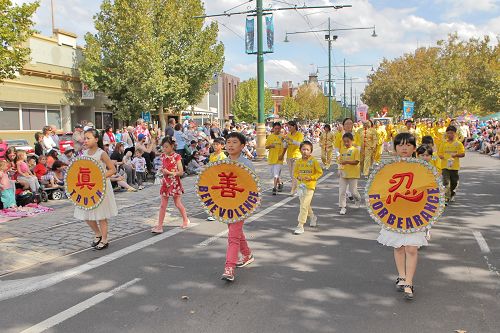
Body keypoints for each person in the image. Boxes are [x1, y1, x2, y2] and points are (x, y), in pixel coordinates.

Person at [377, 132, 426, 300]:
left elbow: (430, 191)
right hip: (395, 212)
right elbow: (380, 190)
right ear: (395, 148)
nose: (404, 148)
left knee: (411, 248)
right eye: (400, 145)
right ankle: (402, 276)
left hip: (415, 213)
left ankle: (409, 282)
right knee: (398, 247)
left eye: (408, 145)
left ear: (414, 148)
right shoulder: (388, 167)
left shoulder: (422, 167)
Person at [74, 129, 118, 250]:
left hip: (100, 187)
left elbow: (112, 169)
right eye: (85, 138)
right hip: (87, 187)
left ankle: (104, 239)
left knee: (101, 215)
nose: (86, 140)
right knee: (86, 214)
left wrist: (100, 177)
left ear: (96, 139)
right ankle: (97, 234)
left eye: (88, 138)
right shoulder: (84, 153)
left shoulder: (101, 153)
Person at [221, 132, 255, 282]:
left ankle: (229, 268)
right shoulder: (222, 163)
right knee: (235, 231)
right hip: (226, 204)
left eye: (234, 142)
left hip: (241, 205)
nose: (230, 145)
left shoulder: (246, 164)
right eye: (228, 142)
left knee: (233, 236)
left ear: (242, 146)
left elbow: (253, 186)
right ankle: (247, 254)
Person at [151, 136, 190, 234]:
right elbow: (164, 168)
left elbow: (181, 172)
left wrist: (169, 172)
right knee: (163, 205)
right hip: (165, 182)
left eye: (166, 147)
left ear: (172, 146)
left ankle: (185, 220)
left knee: (177, 203)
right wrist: (162, 171)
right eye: (163, 147)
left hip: (174, 183)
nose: (164, 149)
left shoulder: (177, 156)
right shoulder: (163, 156)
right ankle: (160, 226)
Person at [293, 141, 323, 235]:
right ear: (300, 150)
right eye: (303, 149)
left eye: (307, 150)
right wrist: (298, 177)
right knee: (304, 204)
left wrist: (311, 177)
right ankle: (313, 216)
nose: (305, 151)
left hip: (310, 186)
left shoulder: (313, 161)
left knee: (304, 205)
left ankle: (300, 225)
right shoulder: (298, 161)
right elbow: (295, 172)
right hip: (301, 186)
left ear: (311, 151)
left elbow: (319, 172)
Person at [438, 125, 465, 204]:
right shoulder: (443, 143)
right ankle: (446, 196)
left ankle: (452, 194)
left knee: (454, 182)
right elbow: (439, 153)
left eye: (452, 133)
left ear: (455, 134)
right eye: (448, 133)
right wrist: (441, 156)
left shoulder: (459, 144)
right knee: (446, 182)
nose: (450, 135)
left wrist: (456, 155)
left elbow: (463, 154)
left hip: (454, 166)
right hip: (445, 166)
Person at [338, 133, 361, 215]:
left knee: (353, 191)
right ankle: (343, 207)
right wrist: (339, 170)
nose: (346, 143)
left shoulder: (355, 150)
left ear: (352, 141)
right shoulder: (342, 150)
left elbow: (356, 162)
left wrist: (346, 162)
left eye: (348, 141)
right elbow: (340, 161)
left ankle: (358, 199)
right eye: (344, 141)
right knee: (342, 191)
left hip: (353, 174)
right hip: (343, 174)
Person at [283, 121, 304, 195]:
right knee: (292, 175)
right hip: (289, 156)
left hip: (297, 156)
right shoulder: (288, 134)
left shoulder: (300, 134)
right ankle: (299, 187)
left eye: (290, 127)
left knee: (294, 174)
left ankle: (293, 189)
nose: (289, 129)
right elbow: (285, 146)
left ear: (294, 126)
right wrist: (284, 142)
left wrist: (291, 140)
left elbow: (300, 144)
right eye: (288, 127)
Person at [265, 122, 285, 195]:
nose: (277, 130)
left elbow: (285, 146)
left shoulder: (282, 137)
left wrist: (282, 155)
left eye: (278, 128)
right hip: (271, 158)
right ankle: (280, 183)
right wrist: (270, 146)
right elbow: (266, 146)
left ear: (280, 128)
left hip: (279, 159)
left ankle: (274, 188)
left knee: (276, 174)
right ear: (273, 129)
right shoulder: (270, 137)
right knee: (273, 174)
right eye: (275, 128)